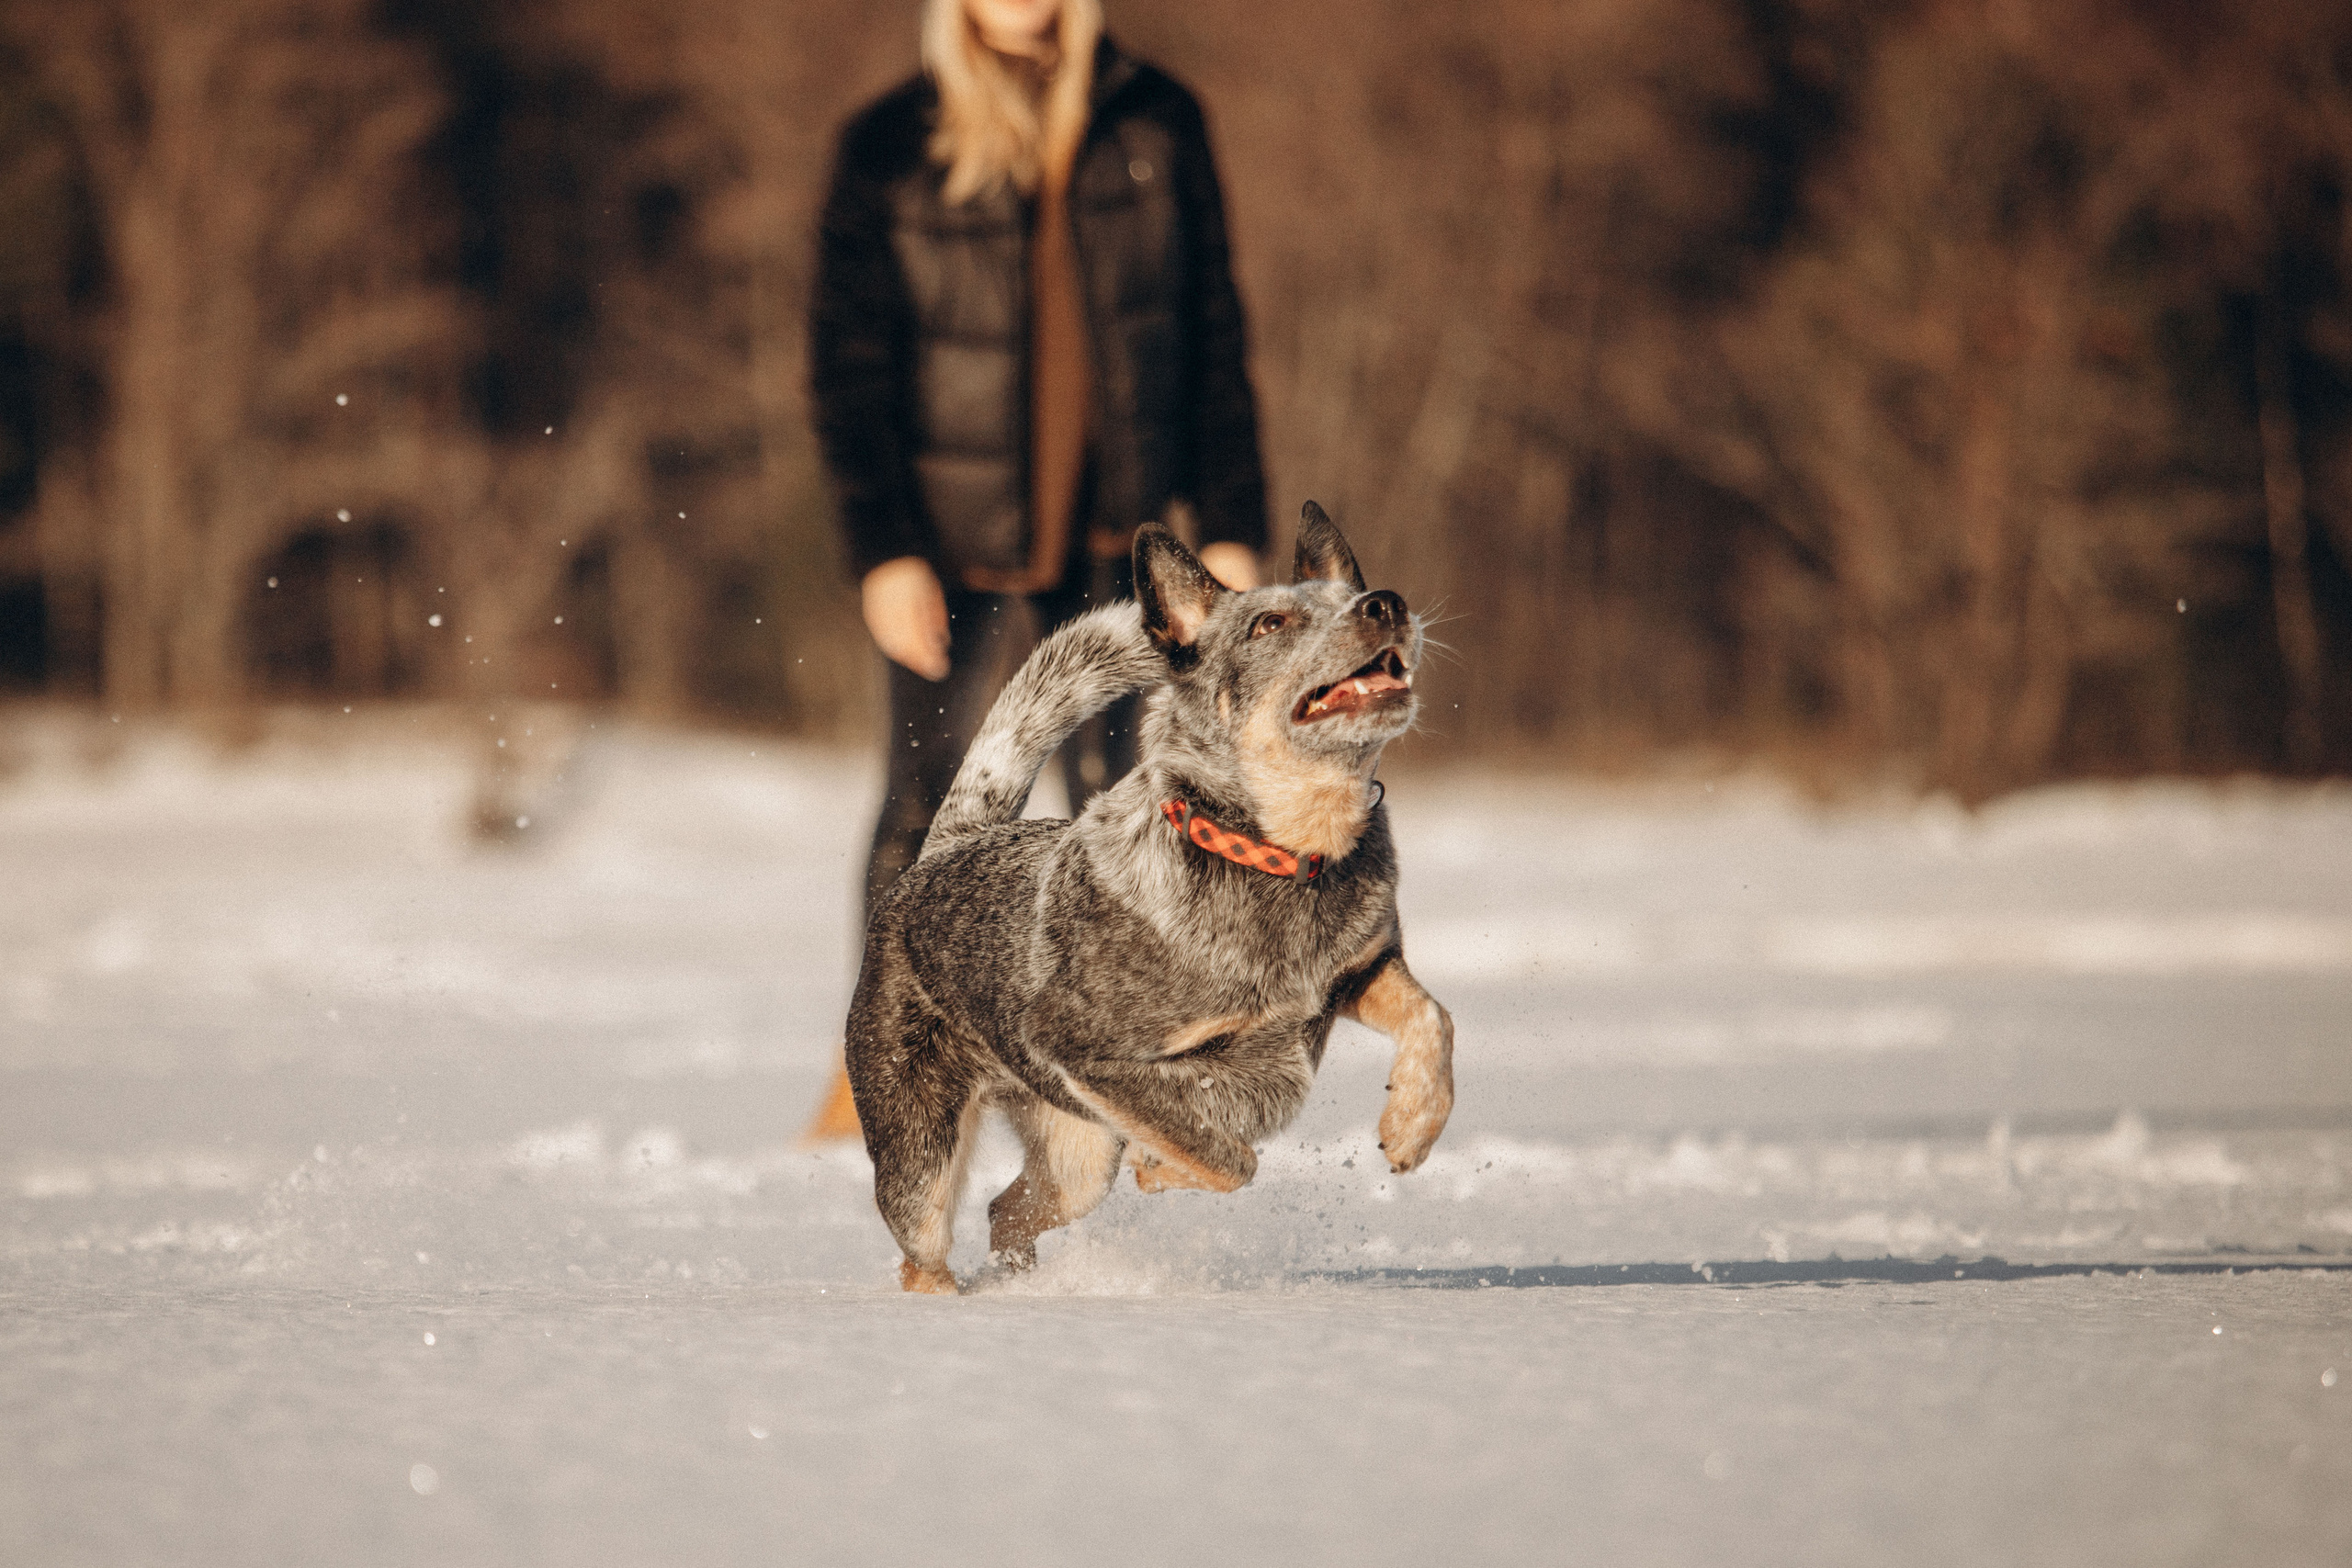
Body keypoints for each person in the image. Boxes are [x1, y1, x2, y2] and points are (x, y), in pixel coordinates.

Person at [801, 0, 1270, 1137]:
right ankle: (888, 1067)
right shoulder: (887, 141)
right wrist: (884, 552)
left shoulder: (1157, 121)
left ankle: (1129, 1061)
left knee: (1135, 814)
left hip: (1123, 535)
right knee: (928, 811)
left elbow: (1212, 331)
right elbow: (848, 369)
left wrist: (1229, 519)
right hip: (945, 545)